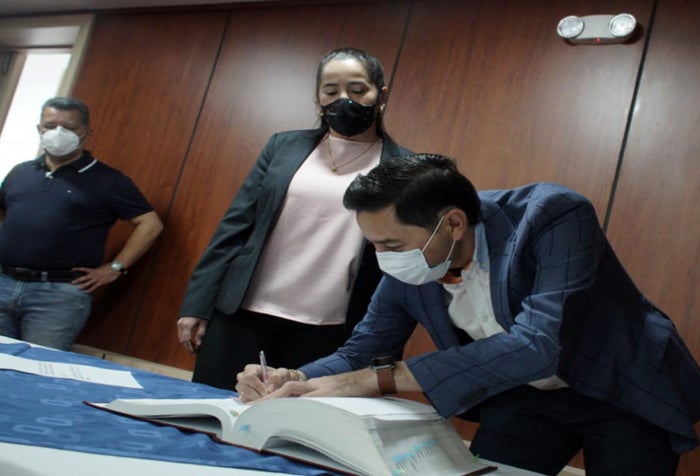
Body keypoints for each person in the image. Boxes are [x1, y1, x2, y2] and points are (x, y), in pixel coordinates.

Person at [236, 153, 700, 476]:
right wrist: (294, 378)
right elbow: (362, 351)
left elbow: (537, 346)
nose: (383, 258)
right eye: (373, 245)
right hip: (524, 396)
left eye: (392, 244)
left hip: (620, 384)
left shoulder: (553, 216)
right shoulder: (409, 265)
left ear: (454, 223)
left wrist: (374, 381)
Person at [177, 47, 412, 389]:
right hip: (243, 315)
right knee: (214, 405)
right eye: (331, 91)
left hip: (331, 329)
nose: (343, 100)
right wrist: (197, 304)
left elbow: (401, 260)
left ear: (381, 95)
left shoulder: (404, 168)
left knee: (295, 418)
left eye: (357, 90)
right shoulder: (283, 147)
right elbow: (235, 227)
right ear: (318, 100)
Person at [0, 96, 163, 350]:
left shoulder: (109, 180)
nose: (58, 133)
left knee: (40, 366)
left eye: (69, 127)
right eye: (50, 126)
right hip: (3, 281)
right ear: (39, 129)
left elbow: (150, 224)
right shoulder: (20, 172)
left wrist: (115, 268)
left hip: (57, 295)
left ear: (86, 133)